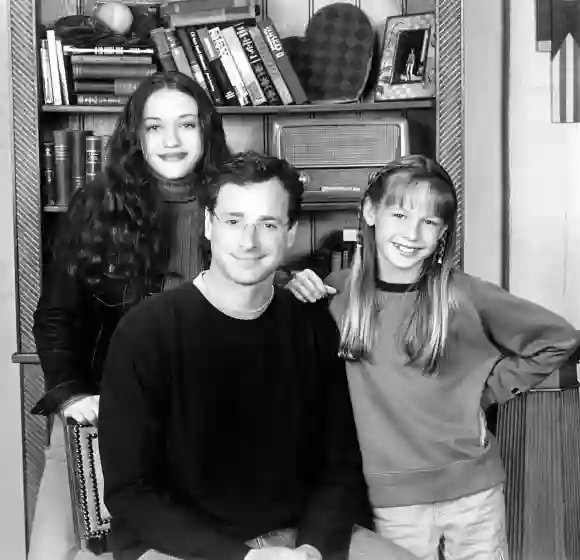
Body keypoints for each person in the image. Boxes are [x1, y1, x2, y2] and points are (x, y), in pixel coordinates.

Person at [97, 151, 422, 560]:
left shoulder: (313, 325)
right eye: (233, 222)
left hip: (297, 539)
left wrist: (312, 549)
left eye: (267, 224)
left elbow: (339, 465)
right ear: (209, 225)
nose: (248, 242)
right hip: (179, 545)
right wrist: (244, 558)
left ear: (289, 234)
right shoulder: (146, 331)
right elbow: (130, 492)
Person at [286, 154, 580, 560]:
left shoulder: (464, 294)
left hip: (474, 491)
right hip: (391, 498)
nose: (413, 233)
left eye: (430, 222)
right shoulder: (334, 297)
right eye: (401, 215)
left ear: (443, 232)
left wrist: (483, 391)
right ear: (371, 212)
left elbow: (558, 339)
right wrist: (293, 286)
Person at [28, 71, 231, 560]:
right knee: (56, 553)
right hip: (98, 416)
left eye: (186, 125)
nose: (171, 141)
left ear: (206, 131)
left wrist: (298, 281)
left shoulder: (233, 205)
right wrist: (71, 393)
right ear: (135, 135)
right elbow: (55, 313)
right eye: (154, 127)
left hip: (192, 427)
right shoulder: (96, 206)